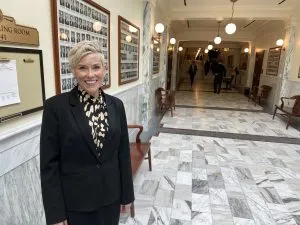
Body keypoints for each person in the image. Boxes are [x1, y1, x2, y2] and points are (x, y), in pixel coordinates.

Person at [40, 40, 134, 225]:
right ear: (74, 71)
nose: (90, 74)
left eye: (96, 67)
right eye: (83, 68)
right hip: (76, 204)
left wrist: (127, 195)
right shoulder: (56, 107)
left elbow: (123, 153)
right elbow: (49, 164)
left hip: (110, 199)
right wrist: (56, 214)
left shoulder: (116, 105)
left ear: (104, 69)